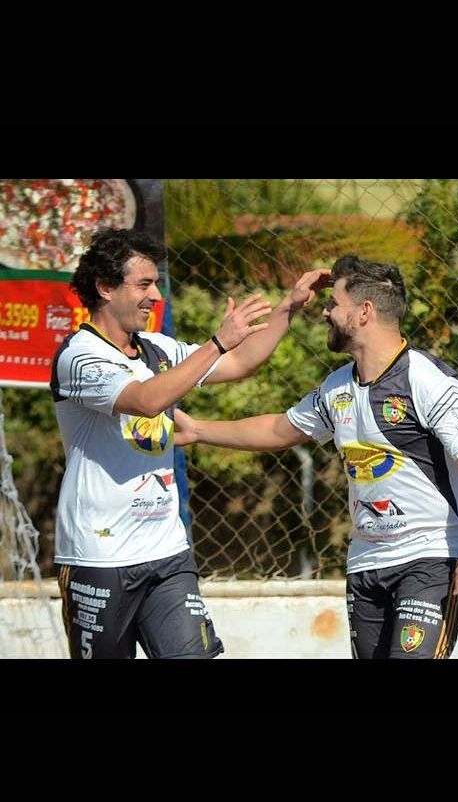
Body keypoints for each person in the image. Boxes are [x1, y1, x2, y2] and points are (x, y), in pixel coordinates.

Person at [173, 254, 458, 659]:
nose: (325, 312)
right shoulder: (337, 387)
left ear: (364, 312)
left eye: (334, 304)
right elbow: (280, 429)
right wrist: (198, 430)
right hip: (366, 562)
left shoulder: (427, 380)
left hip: (431, 557)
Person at [52, 226, 330, 659]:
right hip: (99, 557)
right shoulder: (80, 356)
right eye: (144, 284)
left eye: (156, 285)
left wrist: (288, 307)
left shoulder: (156, 348)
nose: (155, 296)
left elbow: (239, 361)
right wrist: (217, 343)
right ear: (105, 287)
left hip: (167, 552)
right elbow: (146, 400)